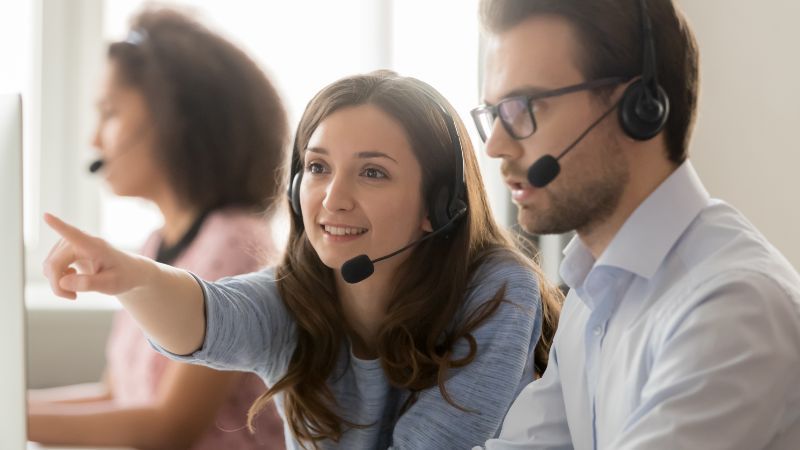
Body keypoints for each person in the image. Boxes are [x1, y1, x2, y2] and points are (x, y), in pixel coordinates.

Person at [41, 70, 564, 449]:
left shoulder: (498, 291)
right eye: (317, 167)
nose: (333, 198)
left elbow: (436, 444)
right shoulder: (299, 295)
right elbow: (209, 316)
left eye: (373, 173)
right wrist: (130, 277)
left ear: (439, 205)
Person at [470, 0, 800, 449]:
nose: (495, 146)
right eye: (494, 113)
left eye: (524, 107)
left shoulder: (732, 306)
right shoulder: (595, 290)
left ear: (638, 109)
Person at [28, 9, 287, 449]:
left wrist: (16, 416)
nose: (95, 141)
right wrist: (15, 406)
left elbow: (170, 427)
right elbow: (116, 396)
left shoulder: (234, 244)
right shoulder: (154, 245)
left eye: (109, 113)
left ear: (172, 118)